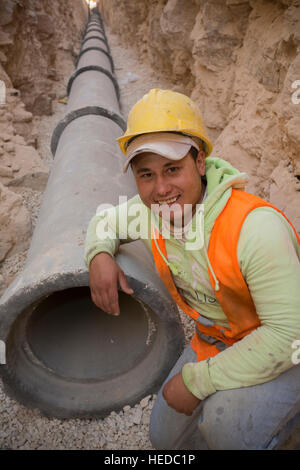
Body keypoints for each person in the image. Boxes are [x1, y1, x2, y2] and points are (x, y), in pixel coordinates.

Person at [84, 88, 300, 450]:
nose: (161, 188)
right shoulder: (148, 211)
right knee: (166, 439)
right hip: (220, 338)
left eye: (173, 169)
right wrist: (98, 256)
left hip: (287, 347)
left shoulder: (254, 228)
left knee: (225, 430)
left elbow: (290, 335)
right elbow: (104, 222)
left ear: (199, 162)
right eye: (146, 174)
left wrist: (197, 381)